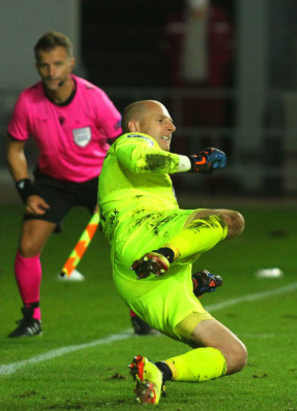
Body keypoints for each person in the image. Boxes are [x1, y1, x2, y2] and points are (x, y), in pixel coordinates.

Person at [97, 100, 247, 405]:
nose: (172, 127)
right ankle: (166, 253)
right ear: (135, 126)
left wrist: (191, 284)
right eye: (162, 120)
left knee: (233, 355)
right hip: (142, 231)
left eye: (171, 121)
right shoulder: (129, 141)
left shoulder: (155, 177)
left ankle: (158, 372)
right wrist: (195, 163)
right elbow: (142, 160)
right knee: (231, 220)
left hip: (138, 281)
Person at [6, 31, 122, 337]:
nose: (51, 72)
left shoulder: (95, 98)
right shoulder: (27, 101)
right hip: (52, 181)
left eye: (57, 64)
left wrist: (112, 190)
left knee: (125, 245)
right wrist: (25, 191)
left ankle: (140, 315)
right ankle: (32, 318)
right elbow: (15, 150)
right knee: (28, 244)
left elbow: (123, 148)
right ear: (37, 66)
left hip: (99, 178)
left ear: (70, 63)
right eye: (44, 65)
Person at [163, 0, 233, 152]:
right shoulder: (177, 20)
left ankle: (212, 173)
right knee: (179, 133)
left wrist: (218, 79)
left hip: (211, 87)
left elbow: (226, 52)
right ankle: (178, 173)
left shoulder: (219, 20)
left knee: (212, 134)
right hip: (183, 86)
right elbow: (169, 51)